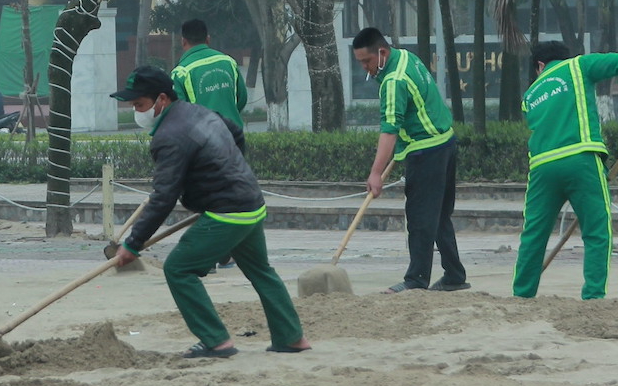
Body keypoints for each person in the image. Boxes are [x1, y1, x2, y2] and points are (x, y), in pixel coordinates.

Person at [110, 65, 308, 359]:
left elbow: (164, 197)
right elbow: (236, 134)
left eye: (139, 104)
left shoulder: (169, 136)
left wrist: (132, 244)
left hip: (226, 213)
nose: (136, 112)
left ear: (161, 99)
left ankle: (216, 341)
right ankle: (291, 338)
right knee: (261, 271)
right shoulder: (199, 112)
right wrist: (227, 170)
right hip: (251, 203)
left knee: (178, 269)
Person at [512, 39, 618, 301]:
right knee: (597, 231)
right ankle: (592, 296)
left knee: (533, 235)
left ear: (540, 66)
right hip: (581, 159)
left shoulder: (529, 96)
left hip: (541, 169)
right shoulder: (578, 66)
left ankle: (521, 294)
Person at [350, 26, 466, 294]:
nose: (365, 68)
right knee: (439, 216)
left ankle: (416, 279)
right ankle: (454, 275)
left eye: (367, 61)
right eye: (360, 63)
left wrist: (375, 173)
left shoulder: (393, 81)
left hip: (427, 151)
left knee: (420, 218)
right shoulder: (406, 57)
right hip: (446, 143)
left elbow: (389, 130)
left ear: (381, 52)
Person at [170, 18, 247, 150]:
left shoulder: (180, 72)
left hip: (203, 143)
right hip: (234, 139)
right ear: (208, 39)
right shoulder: (228, 62)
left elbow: (178, 114)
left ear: (183, 41)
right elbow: (242, 99)